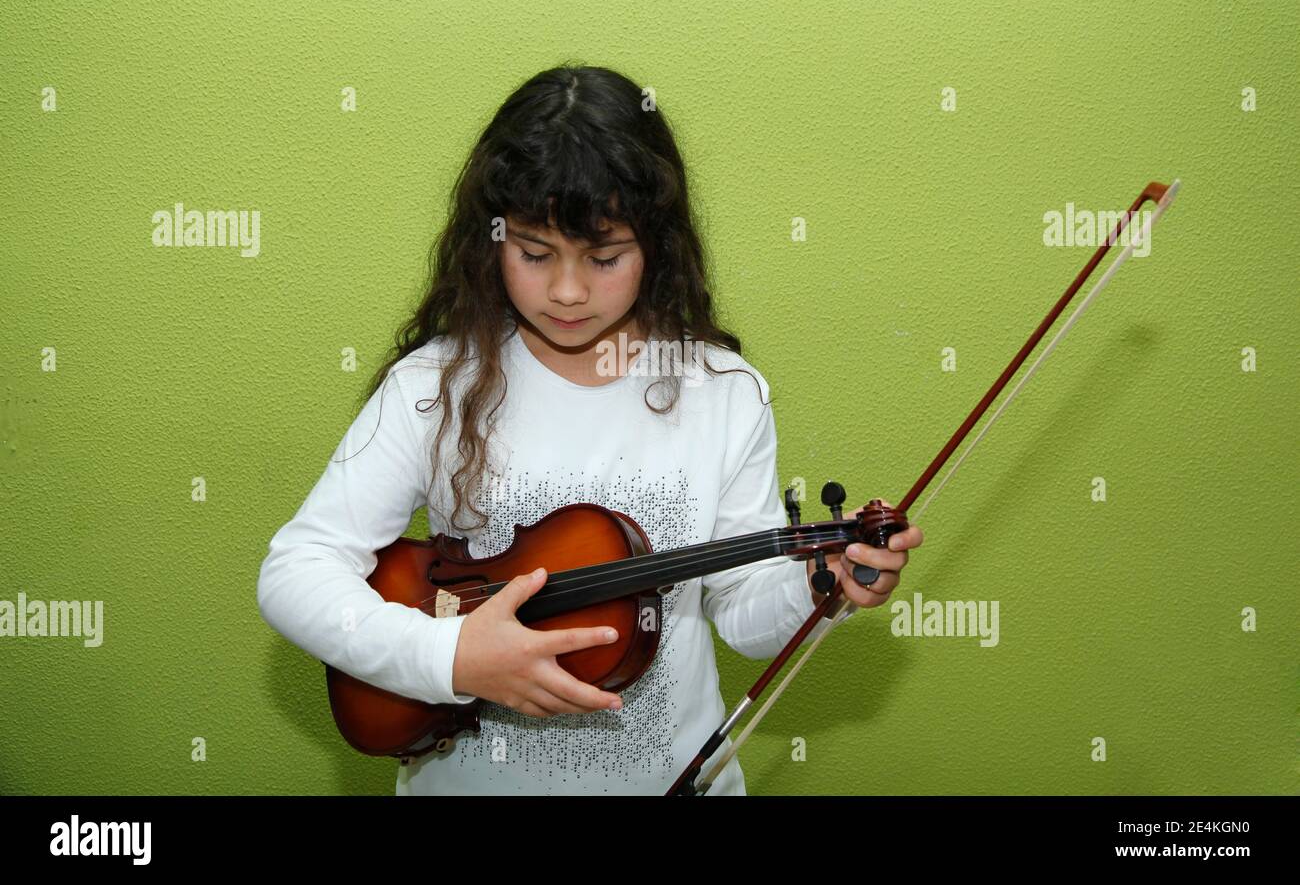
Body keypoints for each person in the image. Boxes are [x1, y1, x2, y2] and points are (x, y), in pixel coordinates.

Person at [256, 64, 923, 795]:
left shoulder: (724, 393)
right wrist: (447, 657)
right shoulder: (435, 385)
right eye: (535, 254)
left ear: (656, 247)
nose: (568, 291)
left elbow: (742, 613)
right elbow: (295, 573)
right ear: (491, 242)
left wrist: (817, 584)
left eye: (604, 259)